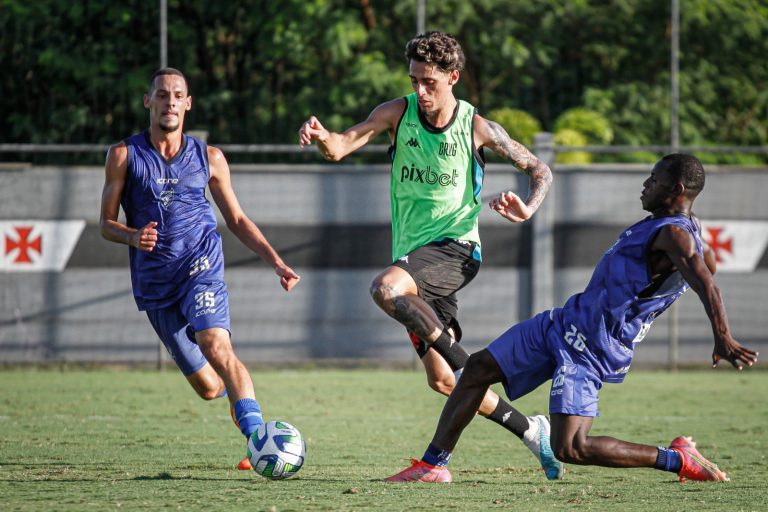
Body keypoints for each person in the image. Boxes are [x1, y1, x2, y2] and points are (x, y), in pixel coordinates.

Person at [385, 153, 759, 483]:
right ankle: (433, 465)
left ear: (676, 189)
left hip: (590, 349)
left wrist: (723, 337)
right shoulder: (660, 227)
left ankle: (677, 459)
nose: (645, 185)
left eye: (654, 179)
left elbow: (708, 285)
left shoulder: (677, 236)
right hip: (562, 324)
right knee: (478, 368)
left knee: (571, 447)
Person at [299, 31, 561, 479]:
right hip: (414, 260)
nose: (420, 91)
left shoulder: (476, 126)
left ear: (452, 77)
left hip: (457, 249)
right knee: (443, 380)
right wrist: (324, 136)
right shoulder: (395, 114)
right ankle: (528, 429)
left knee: (385, 288)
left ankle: (474, 368)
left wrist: (528, 207)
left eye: (430, 82)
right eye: (414, 80)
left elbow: (540, 169)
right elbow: (341, 146)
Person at [100, 67, 301, 471]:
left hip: (201, 267)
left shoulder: (208, 157)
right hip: (156, 284)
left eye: (177, 95)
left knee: (216, 343)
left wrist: (276, 261)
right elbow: (106, 223)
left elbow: (238, 220)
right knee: (210, 388)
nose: (169, 101)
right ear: (148, 101)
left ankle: (259, 439)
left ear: (188, 104)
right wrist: (133, 236)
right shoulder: (123, 155)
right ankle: (239, 406)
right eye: (161, 94)